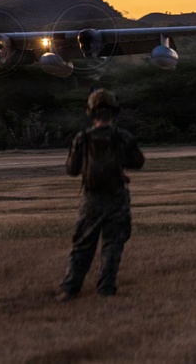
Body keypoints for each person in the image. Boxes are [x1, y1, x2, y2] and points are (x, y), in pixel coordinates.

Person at [57, 88, 144, 300]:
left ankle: (70, 288)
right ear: (115, 112)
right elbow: (138, 162)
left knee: (83, 245)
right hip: (117, 198)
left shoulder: (82, 139)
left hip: (91, 200)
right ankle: (106, 288)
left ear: (90, 112)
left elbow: (71, 169)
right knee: (112, 245)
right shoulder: (122, 137)